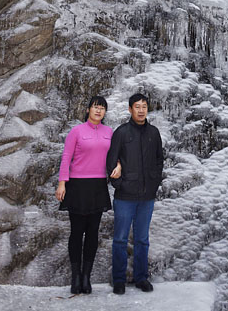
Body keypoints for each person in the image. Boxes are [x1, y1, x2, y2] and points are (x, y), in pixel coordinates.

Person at [56, 95, 121, 294]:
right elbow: (66, 157)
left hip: (98, 185)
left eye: (102, 108)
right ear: (88, 109)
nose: (98, 111)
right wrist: (62, 183)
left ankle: (86, 277)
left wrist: (119, 165)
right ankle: (75, 277)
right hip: (77, 185)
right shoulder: (76, 131)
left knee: (93, 232)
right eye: (95, 107)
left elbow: (116, 154)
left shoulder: (109, 132)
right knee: (77, 232)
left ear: (105, 112)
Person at [106, 93, 163, 295]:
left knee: (142, 239)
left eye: (144, 106)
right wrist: (119, 185)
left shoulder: (154, 133)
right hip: (124, 197)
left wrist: (154, 183)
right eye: (137, 106)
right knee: (120, 239)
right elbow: (111, 161)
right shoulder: (121, 133)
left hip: (147, 197)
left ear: (147, 109)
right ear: (130, 109)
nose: (141, 110)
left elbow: (159, 160)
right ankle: (119, 280)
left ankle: (141, 278)